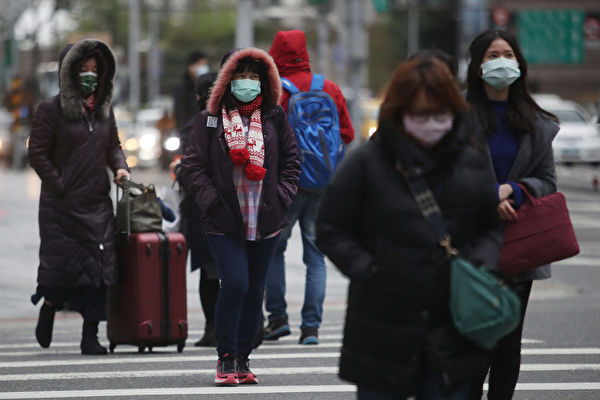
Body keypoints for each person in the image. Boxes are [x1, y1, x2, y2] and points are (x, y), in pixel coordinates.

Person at [315, 58, 503, 399]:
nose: (431, 124)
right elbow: (331, 227)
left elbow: (490, 228)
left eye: (440, 114)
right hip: (383, 321)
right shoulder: (366, 163)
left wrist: (477, 264)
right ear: (399, 112)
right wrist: (369, 268)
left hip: (452, 321)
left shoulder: (471, 162)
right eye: (420, 114)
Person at [181, 47, 300, 386]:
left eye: (253, 76)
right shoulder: (209, 119)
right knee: (235, 284)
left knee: (254, 290)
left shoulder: (275, 116)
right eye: (240, 75)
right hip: (224, 220)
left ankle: (243, 358)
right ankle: (225, 357)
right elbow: (193, 167)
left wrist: (282, 197)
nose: (247, 82)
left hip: (265, 218)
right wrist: (211, 202)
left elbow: (292, 162)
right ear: (226, 80)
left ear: (264, 81)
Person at [465, 30, 559, 400]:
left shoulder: (536, 123)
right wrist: (488, 196)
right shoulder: (456, 118)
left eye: (508, 54)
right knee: (475, 339)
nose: (501, 62)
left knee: (508, 339)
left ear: (519, 63)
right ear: (477, 66)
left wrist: (514, 191)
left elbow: (547, 181)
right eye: (492, 55)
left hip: (520, 240)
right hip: (470, 244)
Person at [28, 39, 130, 355]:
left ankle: (90, 335)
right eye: (83, 69)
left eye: (94, 70)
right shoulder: (51, 110)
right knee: (63, 268)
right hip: (61, 206)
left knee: (99, 270)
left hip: (97, 202)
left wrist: (121, 168)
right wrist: (60, 184)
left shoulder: (103, 110)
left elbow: (113, 146)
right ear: (69, 72)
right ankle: (50, 304)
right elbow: (37, 152)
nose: (89, 75)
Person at [264, 29, 354, 345]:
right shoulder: (328, 88)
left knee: (274, 250)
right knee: (315, 257)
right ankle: (311, 328)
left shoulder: (276, 91)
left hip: (287, 185)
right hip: (324, 183)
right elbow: (347, 134)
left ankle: (277, 319)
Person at [173, 72, 220, 347]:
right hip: (221, 207)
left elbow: (190, 172)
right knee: (218, 270)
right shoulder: (234, 121)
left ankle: (213, 327)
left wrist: (179, 171)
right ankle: (219, 326)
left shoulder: (194, 127)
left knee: (210, 271)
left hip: (203, 209)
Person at [173, 51, 209, 131]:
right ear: (191, 67)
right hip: (189, 130)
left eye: (205, 64)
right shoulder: (182, 87)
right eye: (200, 64)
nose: (204, 67)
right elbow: (180, 113)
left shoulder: (208, 86)